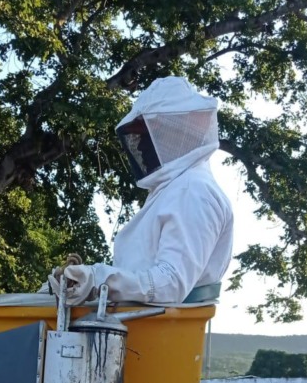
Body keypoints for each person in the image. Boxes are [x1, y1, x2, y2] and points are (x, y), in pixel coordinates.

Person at [48, 76, 233, 306]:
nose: (140, 146)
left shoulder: (193, 191)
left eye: (149, 136)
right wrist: (79, 282)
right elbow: (141, 278)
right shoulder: (174, 190)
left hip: (158, 337)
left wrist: (100, 279)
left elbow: (171, 284)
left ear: (175, 134)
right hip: (139, 330)